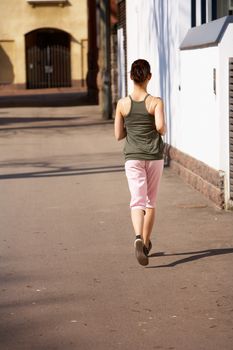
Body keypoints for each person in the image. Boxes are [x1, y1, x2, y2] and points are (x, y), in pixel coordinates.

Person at [114, 59, 166, 266]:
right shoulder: (156, 102)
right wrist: (159, 127)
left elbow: (118, 134)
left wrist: (131, 129)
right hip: (153, 156)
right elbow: (161, 127)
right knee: (150, 201)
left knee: (137, 200)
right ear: (149, 77)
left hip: (133, 157)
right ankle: (145, 243)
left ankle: (137, 237)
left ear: (130, 77)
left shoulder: (122, 104)